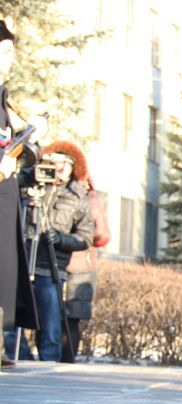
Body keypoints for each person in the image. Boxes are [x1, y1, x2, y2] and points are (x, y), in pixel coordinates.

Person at [18, 141, 94, 362]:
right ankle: (20, 358)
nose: (58, 168)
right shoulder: (31, 186)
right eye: (54, 163)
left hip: (50, 268)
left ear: (73, 167)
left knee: (50, 325)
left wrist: (60, 239)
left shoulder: (76, 196)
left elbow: (85, 237)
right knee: (12, 323)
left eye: (64, 164)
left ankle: (49, 363)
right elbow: (11, 184)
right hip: (23, 262)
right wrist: (32, 169)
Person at [0, 20, 37, 368]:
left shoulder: (3, 98)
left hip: (5, 192)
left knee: (5, 267)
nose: (11, 58)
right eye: (5, 50)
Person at [60, 174, 110, 362]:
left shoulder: (90, 201)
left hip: (81, 265)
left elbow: (103, 235)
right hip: (57, 262)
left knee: (71, 319)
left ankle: (67, 360)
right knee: (54, 318)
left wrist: (80, 234)